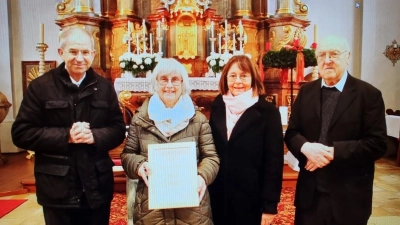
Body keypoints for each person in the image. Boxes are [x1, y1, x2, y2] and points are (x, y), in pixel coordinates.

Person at [11, 27, 126, 225]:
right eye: (73, 51)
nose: (79, 58)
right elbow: (21, 133)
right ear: (61, 52)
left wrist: (95, 136)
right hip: (58, 185)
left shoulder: (105, 87)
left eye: (85, 52)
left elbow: (117, 129)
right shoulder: (40, 87)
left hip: (96, 184)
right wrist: (67, 136)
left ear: (93, 54)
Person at [284, 35, 387, 225]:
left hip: (349, 197)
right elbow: (292, 133)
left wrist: (333, 153)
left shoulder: (369, 95)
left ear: (347, 57)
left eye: (334, 54)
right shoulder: (306, 91)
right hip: (310, 196)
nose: (327, 60)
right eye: (322, 55)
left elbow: (378, 144)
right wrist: (306, 148)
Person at [120, 58, 220, 224]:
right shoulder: (140, 120)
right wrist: (139, 165)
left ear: (183, 83)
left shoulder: (198, 120)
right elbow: (127, 155)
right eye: (163, 79)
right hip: (151, 206)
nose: (169, 86)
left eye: (175, 80)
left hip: (193, 207)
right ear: (155, 83)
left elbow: (211, 157)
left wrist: (201, 176)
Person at [208, 55, 284, 225]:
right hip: (219, 193)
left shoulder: (268, 112)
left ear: (253, 78)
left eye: (244, 76)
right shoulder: (218, 105)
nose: (238, 81)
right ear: (225, 78)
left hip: (251, 196)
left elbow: (274, 162)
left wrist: (269, 206)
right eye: (233, 75)